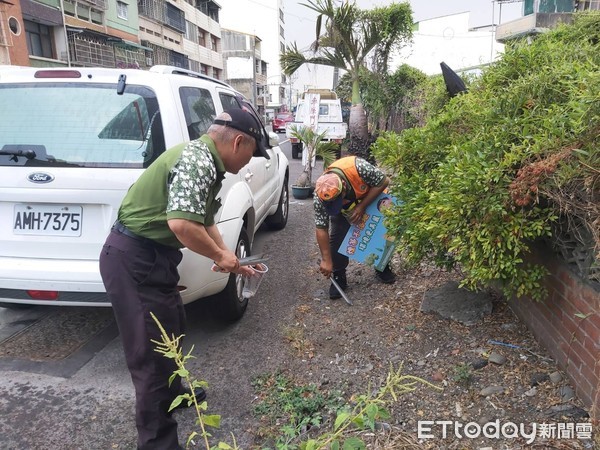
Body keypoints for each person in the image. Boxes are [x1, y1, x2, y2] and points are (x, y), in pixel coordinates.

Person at [99, 108, 268, 450]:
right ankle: (158, 443)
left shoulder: (206, 161)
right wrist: (220, 257)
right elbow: (181, 225)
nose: (251, 161)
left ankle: (177, 391)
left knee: (173, 324)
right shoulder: (197, 161)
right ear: (238, 141)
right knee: (151, 356)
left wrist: (231, 261)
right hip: (134, 259)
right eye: (253, 152)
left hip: (155, 258)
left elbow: (203, 222)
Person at [314, 156, 396, 299]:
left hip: (372, 197)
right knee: (337, 237)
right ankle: (339, 275)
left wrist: (362, 206)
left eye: (338, 200)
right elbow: (321, 228)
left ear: (344, 186)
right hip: (345, 210)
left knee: (378, 230)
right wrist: (326, 259)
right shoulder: (320, 195)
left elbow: (383, 181)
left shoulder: (358, 167)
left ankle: (382, 265)